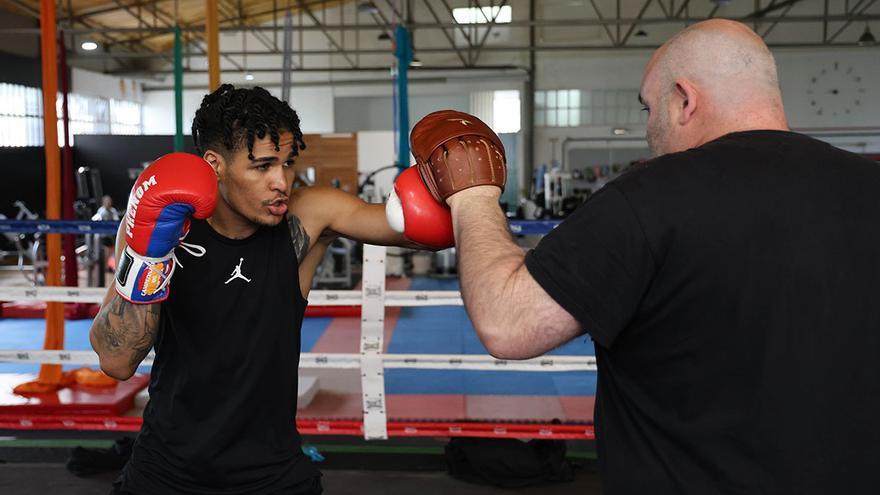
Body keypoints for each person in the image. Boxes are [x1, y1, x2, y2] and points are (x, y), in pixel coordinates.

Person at [402, 19, 880, 494]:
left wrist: (473, 195)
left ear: (685, 99)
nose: (649, 129)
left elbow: (507, 322)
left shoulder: (651, 197)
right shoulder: (868, 187)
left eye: (650, 108)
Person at [89, 84, 450, 494]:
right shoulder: (151, 227)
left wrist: (460, 184)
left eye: (288, 162)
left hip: (272, 475)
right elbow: (116, 361)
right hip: (165, 470)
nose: (282, 181)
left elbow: (421, 232)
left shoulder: (310, 215)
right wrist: (150, 252)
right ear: (215, 165)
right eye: (262, 166)